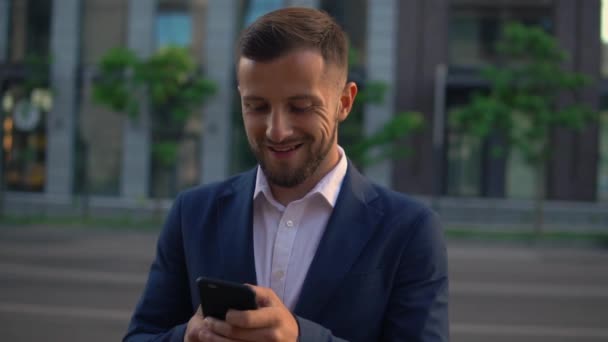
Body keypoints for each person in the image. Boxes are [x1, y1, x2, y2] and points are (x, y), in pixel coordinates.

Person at [124, 7, 448, 342]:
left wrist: (299, 337)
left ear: (345, 102)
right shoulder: (192, 214)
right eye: (257, 107)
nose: (277, 131)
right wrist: (186, 338)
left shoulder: (410, 230)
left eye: (301, 107)